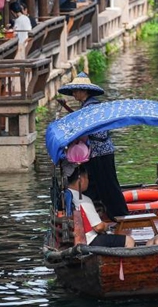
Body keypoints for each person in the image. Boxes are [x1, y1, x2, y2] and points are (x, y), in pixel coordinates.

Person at [58, 74, 129, 219]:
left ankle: (120, 214)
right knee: (97, 184)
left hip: (100, 152)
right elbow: (82, 122)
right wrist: (66, 107)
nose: (74, 93)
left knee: (108, 184)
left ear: (84, 91)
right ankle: (99, 213)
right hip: (96, 152)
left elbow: (86, 127)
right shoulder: (88, 106)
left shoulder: (92, 107)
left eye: (77, 90)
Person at [67, 165, 135, 248]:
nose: (88, 181)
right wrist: (106, 226)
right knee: (129, 240)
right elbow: (98, 227)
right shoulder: (82, 199)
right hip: (89, 240)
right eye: (87, 178)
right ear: (81, 180)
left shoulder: (65, 195)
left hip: (74, 238)